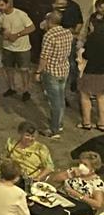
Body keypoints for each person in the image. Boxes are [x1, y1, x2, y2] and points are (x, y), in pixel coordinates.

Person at [38, 9, 73, 138]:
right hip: (64, 69)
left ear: (49, 21)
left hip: (51, 71)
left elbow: (44, 57)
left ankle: (54, 129)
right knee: (61, 98)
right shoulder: (68, 32)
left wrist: (38, 71)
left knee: (54, 101)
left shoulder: (49, 36)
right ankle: (59, 122)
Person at [0, 0, 35, 101]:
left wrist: (17, 35)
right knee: (8, 69)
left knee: (24, 70)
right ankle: (11, 87)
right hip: (8, 47)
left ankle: (26, 90)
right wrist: (3, 34)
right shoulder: (0, 15)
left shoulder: (21, 14)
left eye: (2, 5)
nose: (0, 8)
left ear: (8, 4)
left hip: (22, 48)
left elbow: (31, 27)